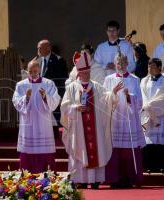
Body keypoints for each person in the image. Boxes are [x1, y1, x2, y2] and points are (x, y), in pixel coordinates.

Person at [61, 52, 121, 189]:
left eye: (88, 72)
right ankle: (80, 179)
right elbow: (64, 107)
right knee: (80, 149)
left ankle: (94, 180)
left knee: (95, 148)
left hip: (95, 128)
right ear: (78, 73)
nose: (87, 75)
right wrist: (75, 108)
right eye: (84, 72)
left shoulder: (97, 87)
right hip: (78, 128)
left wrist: (113, 94)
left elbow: (106, 100)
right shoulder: (71, 88)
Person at [103, 53, 145, 188]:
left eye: (122, 63)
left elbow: (140, 102)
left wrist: (129, 96)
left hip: (129, 121)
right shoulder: (108, 79)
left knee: (128, 150)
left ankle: (129, 178)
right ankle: (113, 178)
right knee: (114, 150)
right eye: (118, 63)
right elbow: (103, 100)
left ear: (127, 64)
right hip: (114, 120)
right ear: (114, 64)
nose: (120, 66)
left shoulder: (134, 79)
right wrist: (113, 93)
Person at [12, 60, 61, 173]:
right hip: (28, 122)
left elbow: (55, 100)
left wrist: (45, 97)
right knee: (27, 150)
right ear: (27, 71)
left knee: (45, 149)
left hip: (43, 122)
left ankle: (47, 174)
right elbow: (16, 102)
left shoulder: (48, 83)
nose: (33, 73)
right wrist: (26, 98)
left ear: (39, 70)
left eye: (35, 71)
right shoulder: (21, 85)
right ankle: (27, 175)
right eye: (30, 71)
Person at [140, 58, 164, 172]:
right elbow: (143, 97)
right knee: (150, 142)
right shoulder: (144, 81)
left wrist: (150, 106)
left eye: (153, 66)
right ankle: (151, 166)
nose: (150, 69)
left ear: (159, 67)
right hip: (149, 116)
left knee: (163, 142)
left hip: (163, 116)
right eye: (149, 66)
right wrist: (147, 106)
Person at [37, 39, 68, 125]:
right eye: (38, 48)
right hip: (42, 98)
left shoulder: (58, 60)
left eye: (40, 48)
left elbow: (63, 80)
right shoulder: (38, 61)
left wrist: (61, 97)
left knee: (58, 121)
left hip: (54, 97)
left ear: (48, 48)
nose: (38, 51)